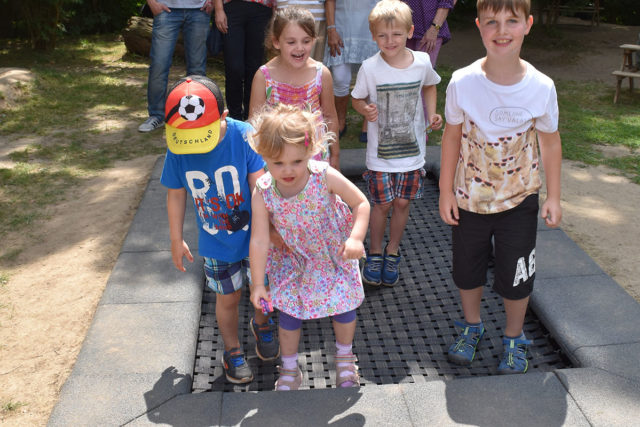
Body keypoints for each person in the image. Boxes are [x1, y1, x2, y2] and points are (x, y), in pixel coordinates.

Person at [438, 0, 562, 374]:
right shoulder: (462, 82)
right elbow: (451, 137)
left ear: (528, 24)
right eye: (492, 22)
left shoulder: (541, 86)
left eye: (512, 21)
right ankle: (471, 326)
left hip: (519, 198)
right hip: (469, 198)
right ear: (479, 26)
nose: (501, 30)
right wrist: (445, 191)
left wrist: (554, 196)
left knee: (517, 273)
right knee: (467, 269)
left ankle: (514, 335)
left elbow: (551, 142)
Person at [160, 75, 279, 384]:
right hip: (216, 244)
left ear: (224, 117)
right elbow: (175, 192)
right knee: (227, 298)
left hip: (255, 237)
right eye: (188, 136)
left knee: (261, 289)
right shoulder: (178, 147)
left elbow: (259, 184)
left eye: (203, 134)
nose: (194, 143)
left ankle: (262, 324)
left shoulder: (243, 135)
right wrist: (176, 238)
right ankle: (233, 350)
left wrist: (271, 230)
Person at [248, 104, 370, 391]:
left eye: (296, 161)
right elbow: (259, 239)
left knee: (343, 308)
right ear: (263, 156)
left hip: (332, 254)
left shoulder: (323, 175)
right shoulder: (264, 191)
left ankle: (344, 359)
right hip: (294, 258)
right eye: (278, 163)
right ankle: (289, 368)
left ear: (311, 151)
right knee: (289, 313)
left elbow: (360, 203)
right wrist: (257, 284)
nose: (288, 170)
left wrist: (355, 238)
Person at [351, 0, 443, 287]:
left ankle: (393, 250)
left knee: (402, 203)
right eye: (382, 35)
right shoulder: (370, 68)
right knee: (381, 205)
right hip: (381, 154)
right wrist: (364, 110)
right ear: (373, 35)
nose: (389, 41)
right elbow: (356, 97)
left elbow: (430, 85)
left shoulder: (422, 62)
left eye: (397, 34)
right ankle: (375, 252)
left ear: (410, 31)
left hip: (412, 153)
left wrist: (432, 112)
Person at [249, 6, 340, 169]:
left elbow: (330, 117)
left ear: (314, 39)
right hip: (277, 157)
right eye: (291, 42)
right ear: (276, 42)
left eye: (306, 41)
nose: (299, 48)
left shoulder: (321, 74)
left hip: (314, 155)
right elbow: (254, 124)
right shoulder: (263, 76)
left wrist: (335, 157)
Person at [138, 0, 213, 133]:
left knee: (197, 69)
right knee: (159, 65)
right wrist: (152, 3)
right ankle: (156, 115)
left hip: (199, 10)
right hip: (166, 10)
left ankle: (195, 116)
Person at [324, 0, 379, 143]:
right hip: (340, 27)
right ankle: (340, 119)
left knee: (371, 75)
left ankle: (368, 120)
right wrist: (331, 29)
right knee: (340, 78)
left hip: (371, 26)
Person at [213, 0, 275, 121]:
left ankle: (251, 117)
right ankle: (234, 117)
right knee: (234, 67)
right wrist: (218, 10)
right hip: (232, 8)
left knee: (255, 68)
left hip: (262, 9)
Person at [403, 0, 455, 68]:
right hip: (402, 27)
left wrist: (434, 28)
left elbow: (446, 2)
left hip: (430, 30)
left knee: (424, 71)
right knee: (402, 71)